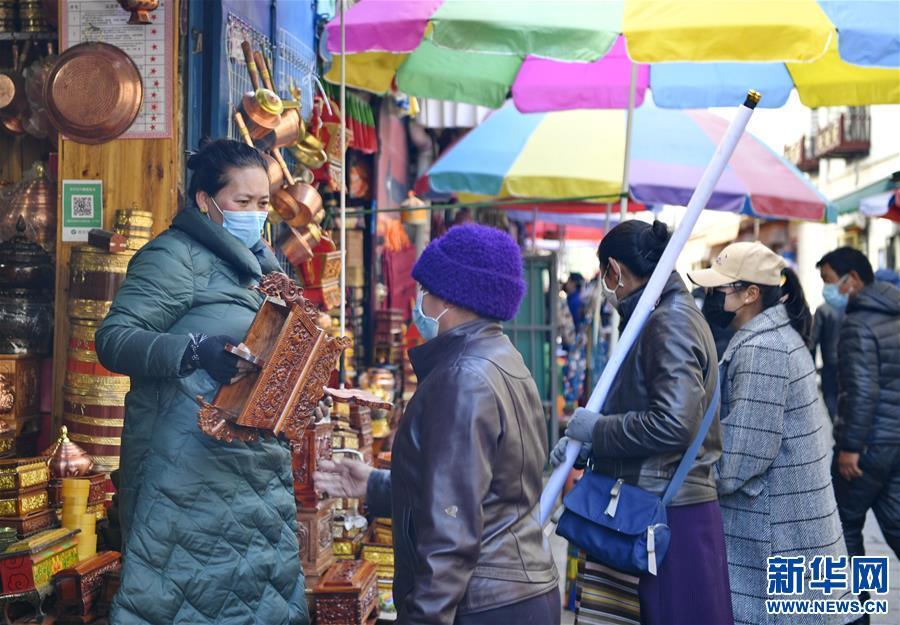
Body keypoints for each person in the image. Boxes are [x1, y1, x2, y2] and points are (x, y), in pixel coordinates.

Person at [96, 139, 308, 625]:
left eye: (262, 204)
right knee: (180, 602)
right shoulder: (175, 257)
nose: (254, 215)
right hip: (184, 476)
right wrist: (194, 351)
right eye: (242, 202)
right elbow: (113, 339)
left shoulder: (262, 269)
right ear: (204, 201)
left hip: (256, 474)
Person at [315, 224, 560, 625]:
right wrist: (374, 484)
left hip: (483, 602)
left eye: (425, 290)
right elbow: (484, 490)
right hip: (516, 591)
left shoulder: (464, 377)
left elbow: (452, 533)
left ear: (450, 296)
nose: (420, 300)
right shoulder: (502, 357)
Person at [551, 220, 733, 625]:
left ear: (613, 270)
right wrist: (593, 446)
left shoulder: (669, 321)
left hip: (667, 513)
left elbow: (673, 423)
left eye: (604, 275)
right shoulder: (658, 315)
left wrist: (596, 431)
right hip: (653, 505)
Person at [690, 242, 855, 624]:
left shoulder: (763, 349)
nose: (712, 297)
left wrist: (685, 473)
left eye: (721, 289)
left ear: (750, 294)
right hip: (789, 532)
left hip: (776, 537)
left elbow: (738, 460)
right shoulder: (775, 335)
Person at [817, 247, 900, 560]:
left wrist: (850, 447)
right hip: (893, 441)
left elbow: (861, 390)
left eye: (829, 280)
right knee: (895, 523)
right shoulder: (894, 313)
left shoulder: (857, 323)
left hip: (867, 446)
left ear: (851, 279)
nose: (828, 290)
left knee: (842, 527)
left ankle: (854, 608)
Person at [811, 300, 844, 422]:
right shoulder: (853, 307)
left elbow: (813, 342)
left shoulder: (823, 310)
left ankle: (837, 425)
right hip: (850, 363)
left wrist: (811, 369)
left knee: (831, 397)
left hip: (830, 363)